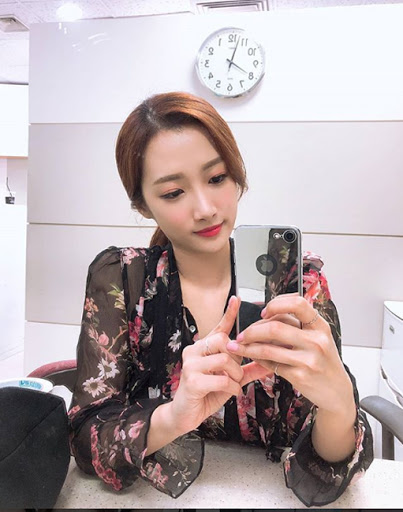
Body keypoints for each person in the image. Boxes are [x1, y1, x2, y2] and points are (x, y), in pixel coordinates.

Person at [68, 91, 373, 507]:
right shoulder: (123, 279)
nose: (206, 208)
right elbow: (86, 434)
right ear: (143, 205)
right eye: (173, 192)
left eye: (216, 179)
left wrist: (339, 405)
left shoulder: (298, 285)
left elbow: (331, 460)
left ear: (236, 176)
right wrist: (174, 416)